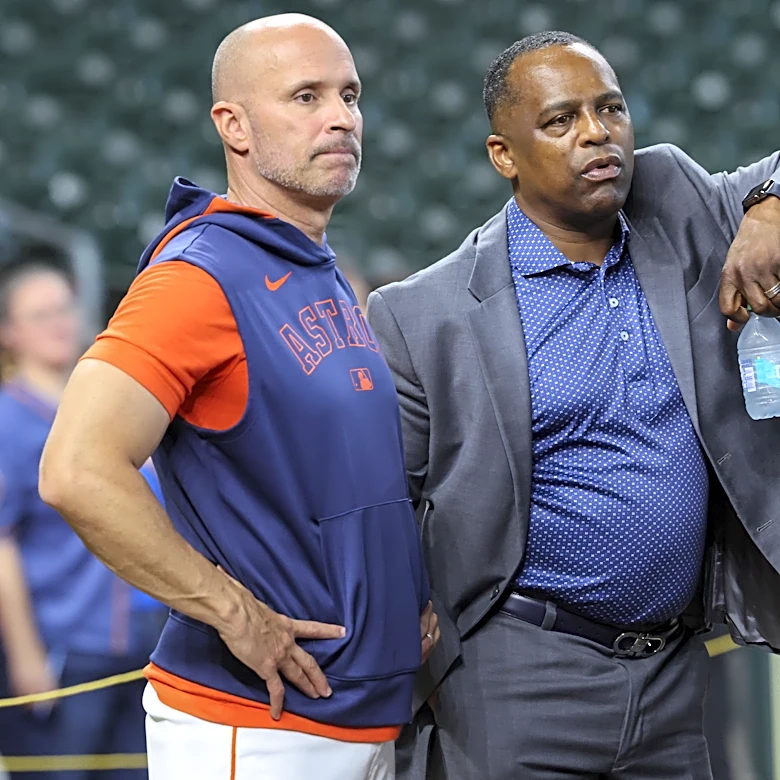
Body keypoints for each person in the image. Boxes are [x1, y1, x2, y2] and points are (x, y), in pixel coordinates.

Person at [366, 31, 780, 780]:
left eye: (610, 109)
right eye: (560, 121)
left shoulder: (676, 203)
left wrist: (769, 210)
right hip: (518, 672)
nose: (596, 133)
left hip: (672, 669)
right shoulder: (423, 313)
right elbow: (385, 502)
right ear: (504, 155)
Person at [38, 14, 438, 780]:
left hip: (354, 719)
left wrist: (404, 592)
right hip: (257, 726)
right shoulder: (198, 276)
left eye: (350, 95)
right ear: (235, 125)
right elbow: (76, 469)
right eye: (306, 96)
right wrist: (229, 611)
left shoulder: (315, 265)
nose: (341, 117)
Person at [0, 262, 156, 780]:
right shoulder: (9, 421)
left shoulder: (104, 406)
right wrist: (25, 657)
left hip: (141, 643)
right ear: (9, 332)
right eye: (40, 313)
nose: (59, 322)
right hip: (63, 646)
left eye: (64, 307)